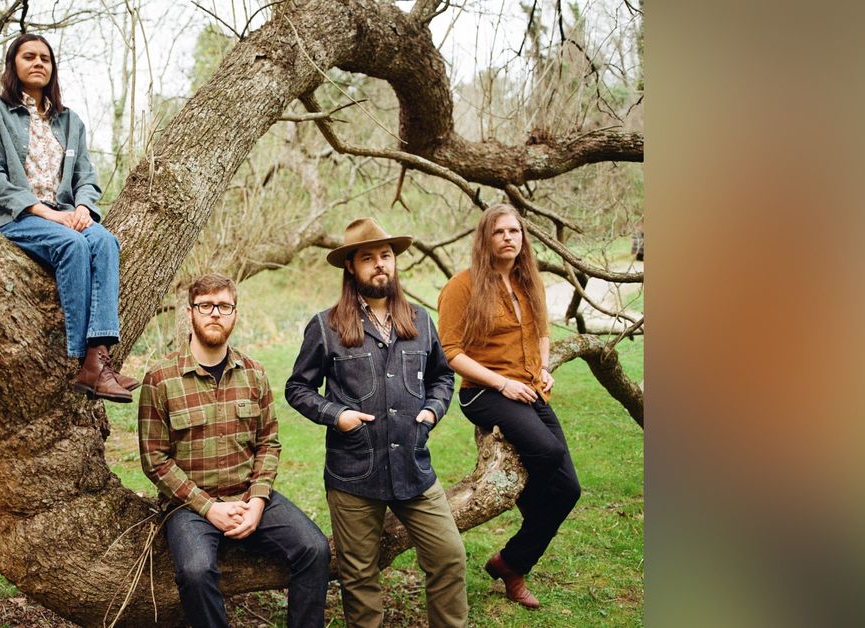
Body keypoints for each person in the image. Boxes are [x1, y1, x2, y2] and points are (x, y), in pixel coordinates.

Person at [285, 218, 468, 628]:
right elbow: (298, 388)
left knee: (450, 558)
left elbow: (442, 375)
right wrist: (338, 416)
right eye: (367, 258)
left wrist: (433, 410)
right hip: (354, 475)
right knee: (360, 579)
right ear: (351, 267)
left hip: (414, 470)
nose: (379, 264)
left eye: (385, 256)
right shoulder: (326, 326)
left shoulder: (420, 321)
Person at [138, 273, 331, 628]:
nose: (215, 314)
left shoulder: (254, 373)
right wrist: (209, 509)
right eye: (206, 306)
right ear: (190, 313)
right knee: (195, 571)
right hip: (190, 506)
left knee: (315, 549)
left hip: (249, 494)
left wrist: (257, 500)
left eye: (224, 306)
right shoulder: (161, 378)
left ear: (235, 313)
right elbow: (155, 459)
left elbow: (268, 442)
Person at [0, 33, 136, 402]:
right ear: (13, 64)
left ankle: (98, 362)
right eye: (29, 56)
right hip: (18, 216)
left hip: (65, 214)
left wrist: (81, 208)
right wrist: (47, 214)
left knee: (105, 241)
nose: (39, 63)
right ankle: (84, 356)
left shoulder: (69, 121)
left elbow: (86, 178)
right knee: (73, 245)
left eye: (45, 58)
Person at [436, 204, 581, 609]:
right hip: (484, 392)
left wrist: (544, 367)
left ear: (523, 238)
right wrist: (503, 383)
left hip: (531, 388)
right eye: (499, 231)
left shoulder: (527, 281)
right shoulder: (461, 286)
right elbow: (451, 352)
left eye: (514, 231)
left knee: (569, 490)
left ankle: (511, 563)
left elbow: (542, 334)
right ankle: (527, 536)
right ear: (486, 239)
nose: (508, 237)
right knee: (548, 454)